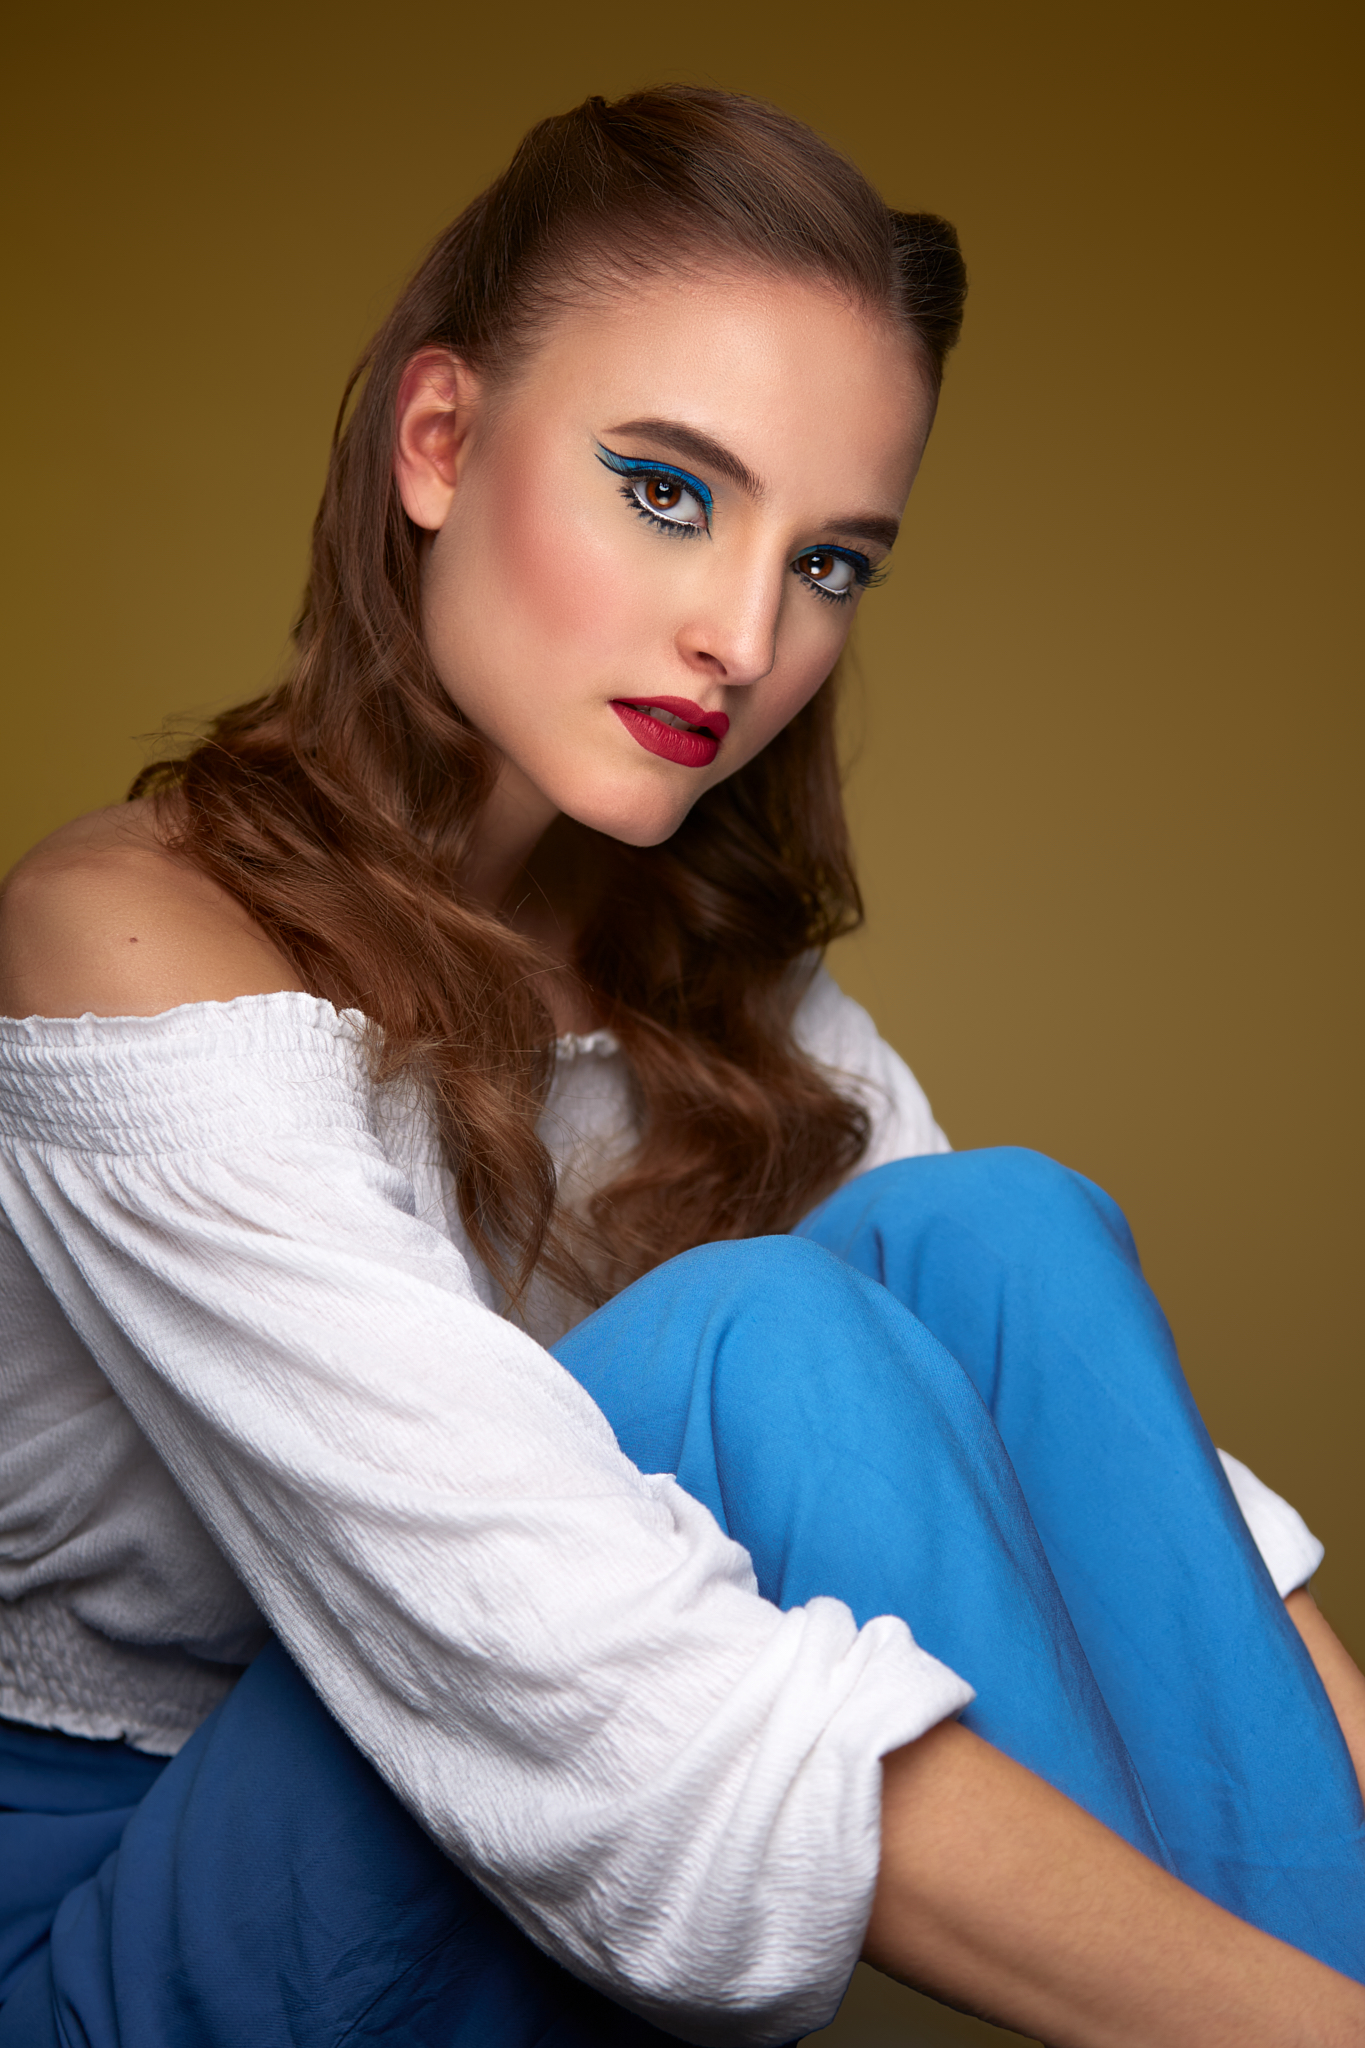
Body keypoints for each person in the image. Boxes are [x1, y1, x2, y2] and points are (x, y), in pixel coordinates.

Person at [0, 83, 1362, 2048]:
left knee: (994, 1235)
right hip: (105, 1947)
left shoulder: (720, 990)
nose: (743, 632)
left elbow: (1105, 1480)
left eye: (831, 564)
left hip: (482, 1840)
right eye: (665, 489)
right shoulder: (124, 953)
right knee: (757, 1342)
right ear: (438, 443)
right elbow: (608, 1692)